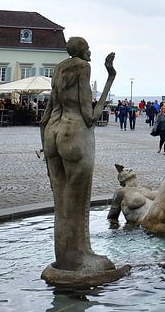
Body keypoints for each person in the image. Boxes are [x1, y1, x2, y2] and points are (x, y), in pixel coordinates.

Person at [40, 37, 116, 272]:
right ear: (82, 51)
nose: (90, 51)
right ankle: (79, 257)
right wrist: (110, 78)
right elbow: (90, 115)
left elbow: (45, 116)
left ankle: (63, 257)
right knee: (77, 198)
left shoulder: (59, 69)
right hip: (74, 134)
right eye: (88, 48)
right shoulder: (83, 67)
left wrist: (44, 148)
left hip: (53, 132)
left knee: (60, 198)